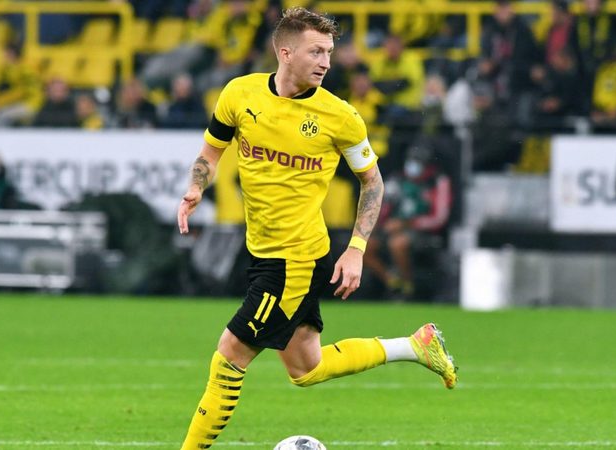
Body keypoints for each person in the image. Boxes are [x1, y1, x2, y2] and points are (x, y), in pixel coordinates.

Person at [175, 8, 457, 449]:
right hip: (262, 250)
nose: (326, 62)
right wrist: (196, 186)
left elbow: (373, 182)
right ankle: (415, 346)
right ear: (285, 52)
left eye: (329, 52)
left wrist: (357, 248)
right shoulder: (239, 93)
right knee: (305, 368)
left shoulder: (339, 116)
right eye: (316, 51)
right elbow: (211, 153)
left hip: (294, 260)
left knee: (230, 354)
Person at [364, 144, 452, 299]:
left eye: (418, 162)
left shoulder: (437, 181)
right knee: (364, 246)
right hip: (391, 227)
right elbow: (383, 206)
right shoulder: (397, 180)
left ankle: (407, 286)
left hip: (422, 231)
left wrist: (408, 223)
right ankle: (393, 283)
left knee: (398, 243)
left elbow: (439, 218)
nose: (413, 166)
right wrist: (378, 225)